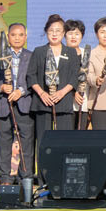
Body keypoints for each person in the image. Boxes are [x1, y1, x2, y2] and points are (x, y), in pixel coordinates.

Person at [27, 13, 82, 143]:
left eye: (58, 31)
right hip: (43, 102)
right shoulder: (39, 51)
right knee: (43, 142)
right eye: (51, 30)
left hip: (64, 102)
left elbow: (75, 76)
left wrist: (62, 92)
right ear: (46, 31)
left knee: (64, 142)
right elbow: (31, 75)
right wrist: (42, 93)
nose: (54, 34)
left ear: (63, 33)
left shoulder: (71, 52)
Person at [0, 21, 36, 184]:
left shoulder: (32, 56)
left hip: (25, 105)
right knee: (3, 143)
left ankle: (25, 176)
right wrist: (1, 87)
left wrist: (21, 91)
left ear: (25, 37)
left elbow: (34, 79)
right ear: (8, 37)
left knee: (26, 142)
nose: (17, 38)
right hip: (4, 105)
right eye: (13, 35)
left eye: (20, 35)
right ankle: (4, 176)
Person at [64, 19, 88, 127]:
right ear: (64, 35)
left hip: (83, 103)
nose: (73, 37)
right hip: (65, 104)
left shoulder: (87, 53)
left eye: (77, 34)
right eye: (70, 33)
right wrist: (74, 93)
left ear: (82, 36)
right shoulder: (61, 53)